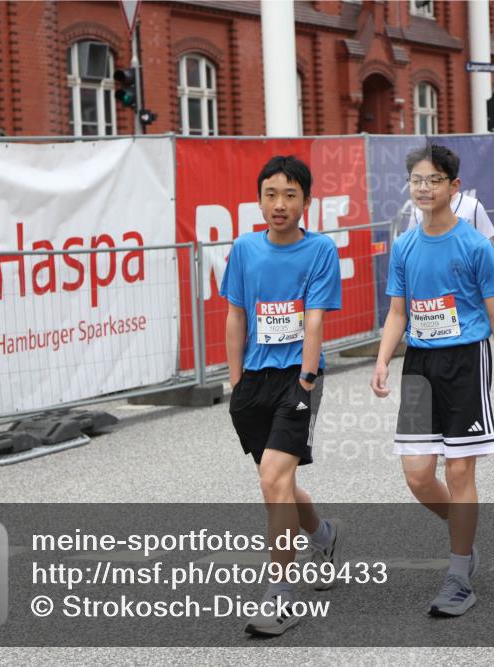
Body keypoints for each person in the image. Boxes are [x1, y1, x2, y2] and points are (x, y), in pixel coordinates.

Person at [370, 143, 494, 617]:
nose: (424, 188)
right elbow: (398, 311)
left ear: (454, 187)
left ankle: (459, 577)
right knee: (418, 475)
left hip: (465, 361)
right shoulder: (405, 245)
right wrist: (382, 360)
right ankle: (464, 535)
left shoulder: (475, 246)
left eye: (434, 180)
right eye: (416, 180)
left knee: (459, 471)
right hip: (420, 363)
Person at [221, 155, 344, 636]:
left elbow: (314, 320)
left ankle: (280, 596)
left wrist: (307, 381)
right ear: (258, 201)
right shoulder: (245, 249)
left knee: (273, 480)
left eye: (290, 195)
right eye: (270, 194)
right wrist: (236, 380)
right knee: (281, 485)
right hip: (253, 380)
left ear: (306, 202)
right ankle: (323, 534)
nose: (279, 204)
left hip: (297, 376)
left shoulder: (320, 250)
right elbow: (236, 314)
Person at [407, 190, 494, 241]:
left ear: (454, 183)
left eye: (436, 180)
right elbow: (408, 247)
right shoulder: (418, 211)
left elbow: (488, 247)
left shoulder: (473, 206)